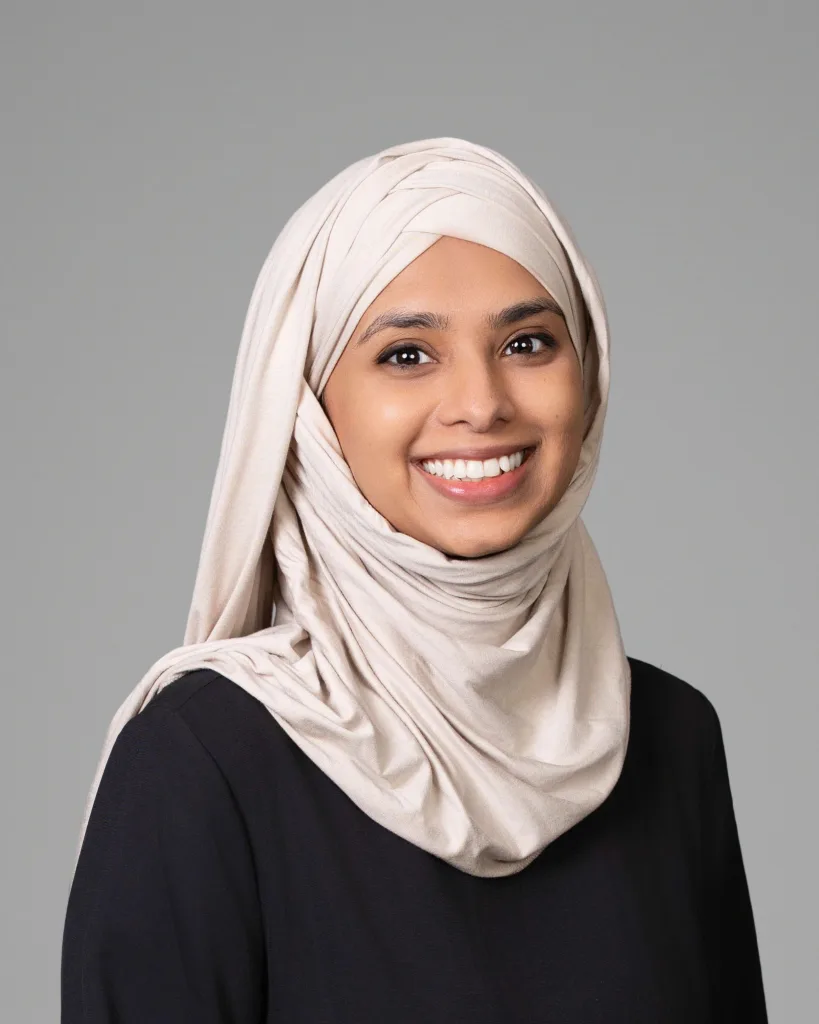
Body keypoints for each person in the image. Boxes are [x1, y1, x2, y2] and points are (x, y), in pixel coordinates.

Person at [61, 137, 768, 1022]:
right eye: (405, 354)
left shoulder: (668, 740)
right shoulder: (206, 759)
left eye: (527, 341)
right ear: (311, 408)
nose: (481, 402)